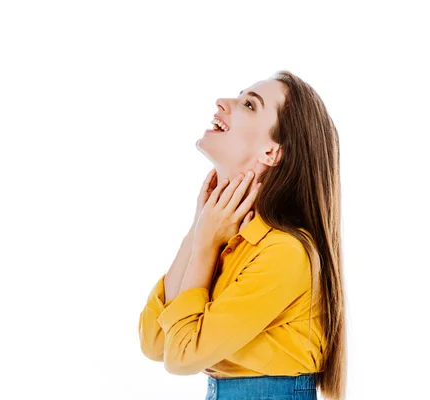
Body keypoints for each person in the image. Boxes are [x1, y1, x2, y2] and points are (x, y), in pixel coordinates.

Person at [138, 70, 346, 400]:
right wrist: (200, 225)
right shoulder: (229, 240)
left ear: (271, 152)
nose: (223, 103)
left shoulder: (284, 252)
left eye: (249, 105)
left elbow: (181, 357)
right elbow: (154, 342)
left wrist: (204, 242)